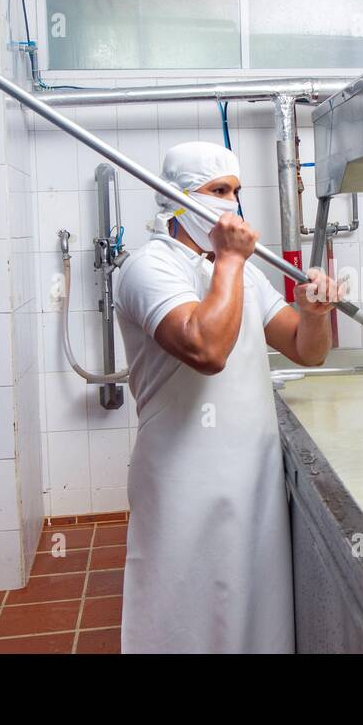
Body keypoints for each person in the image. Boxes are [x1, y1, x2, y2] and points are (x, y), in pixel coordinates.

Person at [113, 141, 342, 653]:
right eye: (217, 191)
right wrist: (232, 260)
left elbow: (307, 353)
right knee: (183, 604)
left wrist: (313, 312)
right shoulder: (149, 269)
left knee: (252, 604)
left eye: (235, 192)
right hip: (184, 473)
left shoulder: (242, 272)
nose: (231, 206)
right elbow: (206, 348)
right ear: (175, 198)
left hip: (251, 470)